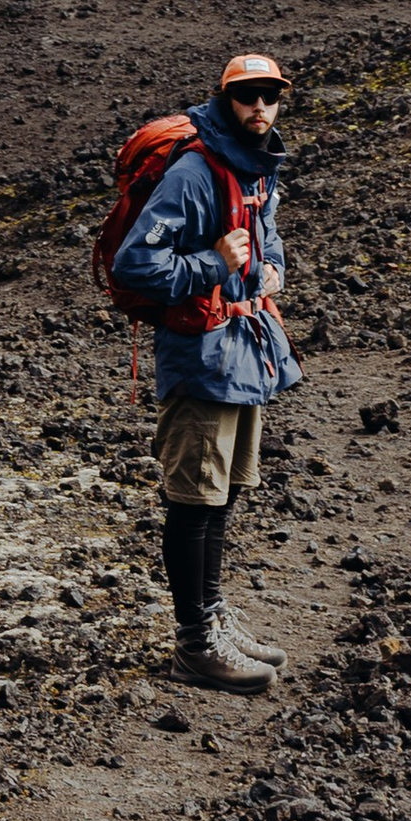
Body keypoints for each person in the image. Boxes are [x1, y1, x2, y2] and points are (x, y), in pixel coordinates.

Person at [109, 52, 303, 692]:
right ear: (225, 100)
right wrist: (212, 265)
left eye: (269, 96)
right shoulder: (194, 174)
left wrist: (271, 266)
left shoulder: (257, 165)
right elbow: (134, 267)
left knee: (224, 492)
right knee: (193, 500)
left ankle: (213, 616)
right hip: (200, 354)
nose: (259, 107)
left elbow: (264, 233)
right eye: (247, 96)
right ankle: (195, 643)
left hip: (243, 346)